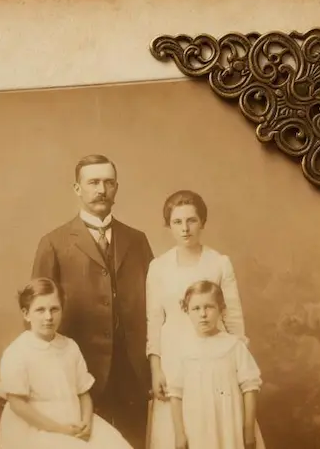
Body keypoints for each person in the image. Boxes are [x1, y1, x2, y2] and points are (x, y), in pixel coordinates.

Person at [31, 154, 154, 449]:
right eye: (93, 182)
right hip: (77, 369)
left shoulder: (137, 240)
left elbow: (158, 305)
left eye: (109, 183)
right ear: (77, 188)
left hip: (132, 371)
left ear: (116, 188)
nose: (102, 189)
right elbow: (38, 314)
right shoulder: (54, 243)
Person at [145, 190, 251, 448]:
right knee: (178, 433)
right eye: (177, 222)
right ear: (169, 226)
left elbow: (233, 317)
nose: (185, 229)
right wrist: (156, 368)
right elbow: (154, 320)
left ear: (202, 222)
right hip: (173, 357)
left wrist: (237, 363)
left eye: (191, 220)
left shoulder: (219, 263)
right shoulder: (158, 267)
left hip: (215, 359)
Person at [0, 278, 133, 449]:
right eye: (40, 310)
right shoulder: (17, 352)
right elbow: (18, 405)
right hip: (36, 427)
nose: (48, 317)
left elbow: (83, 393)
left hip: (74, 421)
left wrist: (86, 422)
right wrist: (59, 429)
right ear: (26, 314)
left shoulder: (70, 347)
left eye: (54, 309)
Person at [167, 281, 264, 449]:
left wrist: (248, 430)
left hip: (229, 426)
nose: (203, 314)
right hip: (198, 428)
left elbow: (250, 388)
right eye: (196, 309)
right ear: (186, 311)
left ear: (221, 309)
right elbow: (175, 394)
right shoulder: (182, 349)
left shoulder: (234, 346)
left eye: (209, 307)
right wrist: (179, 433)